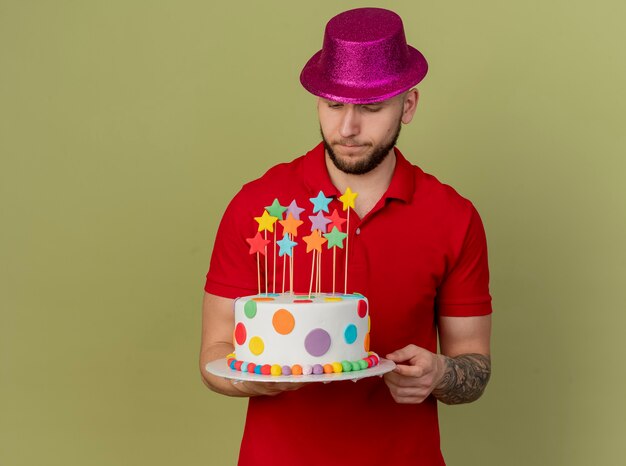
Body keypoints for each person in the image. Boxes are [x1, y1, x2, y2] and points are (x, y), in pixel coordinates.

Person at [200, 7, 492, 466]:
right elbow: (214, 355)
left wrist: (440, 373)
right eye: (333, 104)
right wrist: (255, 379)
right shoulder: (258, 206)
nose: (348, 128)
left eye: (372, 108)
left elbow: (474, 365)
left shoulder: (454, 217)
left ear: (408, 105)